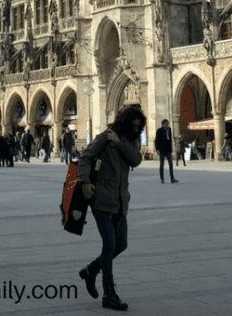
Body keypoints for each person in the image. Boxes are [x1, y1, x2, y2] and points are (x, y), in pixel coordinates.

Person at [78, 106, 145, 312]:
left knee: (121, 244)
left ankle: (91, 270)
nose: (135, 130)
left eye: (138, 127)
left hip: (120, 201)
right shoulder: (104, 137)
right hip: (101, 199)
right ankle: (109, 292)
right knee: (109, 243)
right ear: (125, 122)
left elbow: (136, 160)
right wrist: (84, 182)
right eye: (132, 126)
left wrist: (120, 142)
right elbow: (85, 158)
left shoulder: (128, 141)